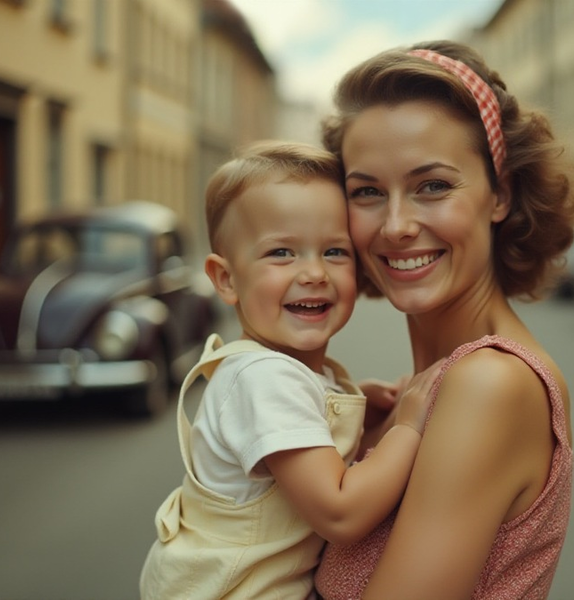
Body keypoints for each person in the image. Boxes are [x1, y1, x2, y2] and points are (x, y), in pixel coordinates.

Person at [314, 40, 574, 599]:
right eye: (366, 191)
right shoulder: (432, 387)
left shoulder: (489, 382)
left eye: (433, 186)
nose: (395, 225)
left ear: (500, 194)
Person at [139, 140, 440, 600]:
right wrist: (408, 427)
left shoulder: (281, 374)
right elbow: (341, 513)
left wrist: (364, 425)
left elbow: (304, 467)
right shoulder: (265, 379)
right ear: (226, 279)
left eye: (335, 252)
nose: (314, 272)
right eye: (281, 253)